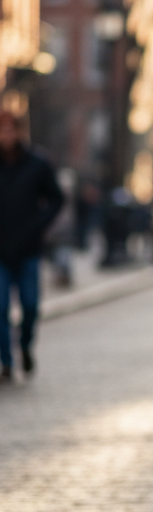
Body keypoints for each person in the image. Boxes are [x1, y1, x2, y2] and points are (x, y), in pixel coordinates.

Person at [0, 110, 64, 381]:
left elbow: (56, 198)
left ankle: (24, 346)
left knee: (30, 306)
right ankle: (6, 361)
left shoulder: (37, 163)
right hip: (0, 252)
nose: (6, 135)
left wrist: (38, 225)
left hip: (29, 250)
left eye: (11, 129)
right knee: (0, 308)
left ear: (19, 131)